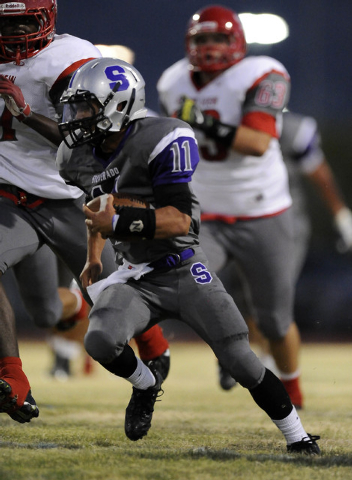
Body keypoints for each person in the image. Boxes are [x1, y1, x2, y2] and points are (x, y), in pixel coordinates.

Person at [56, 56, 320, 454]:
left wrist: (120, 223)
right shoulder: (76, 156)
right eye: (74, 107)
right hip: (135, 275)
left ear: (118, 105)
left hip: (181, 268)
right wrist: (94, 257)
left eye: (85, 107)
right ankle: (146, 385)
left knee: (240, 359)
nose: (75, 117)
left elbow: (181, 222)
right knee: (99, 340)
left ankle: (297, 435)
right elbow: (99, 211)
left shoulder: (164, 137)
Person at [0, 0, 170, 423]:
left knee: (116, 289)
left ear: (45, 18)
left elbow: (91, 137)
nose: (17, 30)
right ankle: (13, 382)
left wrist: (25, 112)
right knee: (45, 314)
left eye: (25, 19)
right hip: (11, 199)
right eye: (8, 21)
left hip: (71, 198)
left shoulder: (69, 58)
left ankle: (153, 345)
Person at [157, 5, 304, 409]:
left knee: (274, 319)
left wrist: (203, 121)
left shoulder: (262, 72)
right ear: (189, 43)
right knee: (191, 294)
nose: (209, 47)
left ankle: (292, 392)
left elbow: (258, 143)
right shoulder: (173, 80)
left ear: (236, 41)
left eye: (218, 38)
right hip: (205, 214)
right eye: (201, 39)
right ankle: (232, 353)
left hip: (263, 211)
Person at [209, 110, 352, 389]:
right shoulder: (220, 121)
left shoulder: (290, 129)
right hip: (231, 221)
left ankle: (275, 367)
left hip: (284, 224)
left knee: (272, 293)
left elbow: (318, 171)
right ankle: (246, 352)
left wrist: (340, 213)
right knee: (233, 292)